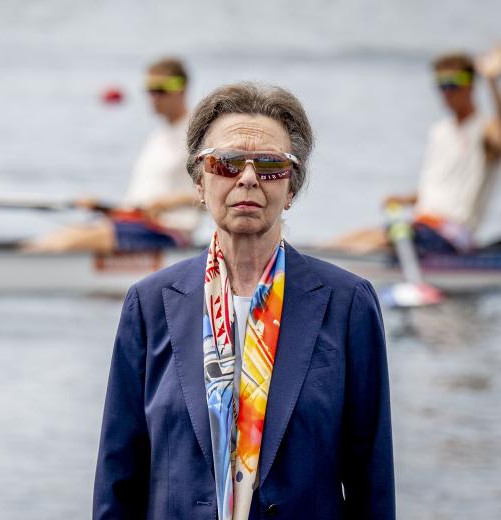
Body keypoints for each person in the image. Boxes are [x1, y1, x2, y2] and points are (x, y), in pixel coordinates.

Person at [93, 83, 395, 519]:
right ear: (200, 181)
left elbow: (372, 482)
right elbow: (117, 476)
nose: (248, 178)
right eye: (227, 163)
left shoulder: (348, 304)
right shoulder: (150, 304)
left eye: (271, 166)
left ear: (290, 188)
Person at [329, 48, 501, 255]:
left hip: (451, 236)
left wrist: (491, 82)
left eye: (452, 84)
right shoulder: (440, 131)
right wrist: (404, 200)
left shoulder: (483, 130)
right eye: (440, 85)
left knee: (370, 242)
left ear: (471, 85)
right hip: (423, 225)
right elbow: (438, 188)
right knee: (355, 237)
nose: (446, 92)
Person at [23, 57, 200, 253]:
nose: (153, 97)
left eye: (161, 89)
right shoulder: (157, 137)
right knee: (51, 239)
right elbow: (138, 201)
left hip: (169, 232)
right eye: (149, 90)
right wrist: (101, 206)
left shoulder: (197, 135)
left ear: (182, 89)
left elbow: (214, 195)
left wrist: (170, 202)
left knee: (62, 245)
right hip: (135, 223)